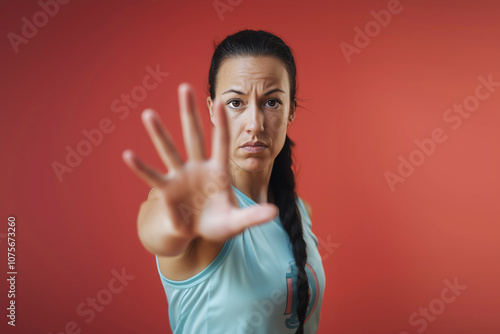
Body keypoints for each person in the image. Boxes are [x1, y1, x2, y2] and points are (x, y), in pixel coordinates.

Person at [122, 29, 325, 334]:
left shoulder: (300, 211)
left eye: (272, 103)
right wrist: (175, 222)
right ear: (212, 111)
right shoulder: (196, 207)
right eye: (235, 103)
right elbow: (158, 229)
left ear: (291, 110)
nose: (254, 124)